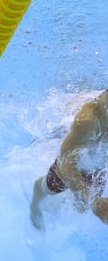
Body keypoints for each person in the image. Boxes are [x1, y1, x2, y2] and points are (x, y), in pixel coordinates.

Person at [30, 90, 108, 230]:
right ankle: (36, 200)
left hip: (96, 160)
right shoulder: (87, 121)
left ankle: (76, 196)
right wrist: (94, 202)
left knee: (82, 206)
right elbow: (64, 162)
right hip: (73, 159)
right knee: (51, 188)